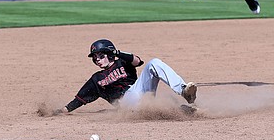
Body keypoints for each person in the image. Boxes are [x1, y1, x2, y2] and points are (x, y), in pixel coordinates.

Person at [53, 39, 197, 114]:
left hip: (139, 93)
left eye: (100, 55)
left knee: (154, 63)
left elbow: (138, 61)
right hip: (126, 103)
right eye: (94, 58)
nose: (97, 60)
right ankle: (177, 110)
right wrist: (60, 111)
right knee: (135, 96)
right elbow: (79, 100)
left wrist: (118, 53)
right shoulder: (96, 79)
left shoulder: (123, 62)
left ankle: (183, 91)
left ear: (110, 54)